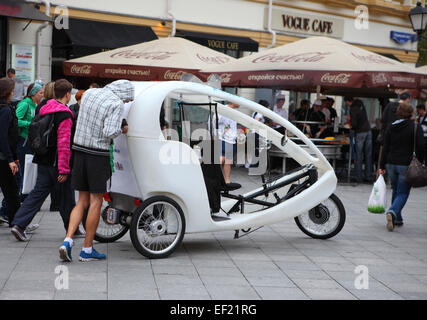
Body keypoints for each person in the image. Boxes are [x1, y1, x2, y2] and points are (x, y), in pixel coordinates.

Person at [59, 80, 134, 262]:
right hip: (97, 155)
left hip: (79, 150)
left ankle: (68, 241)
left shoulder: (90, 94)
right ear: (122, 95)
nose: (124, 104)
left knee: (81, 201)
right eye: (126, 100)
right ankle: (87, 249)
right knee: (96, 201)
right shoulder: (115, 103)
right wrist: (122, 129)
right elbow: (109, 132)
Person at [10, 79, 76, 242]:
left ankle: (19, 224)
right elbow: (63, 144)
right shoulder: (65, 114)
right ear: (67, 94)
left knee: (38, 193)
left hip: (42, 158)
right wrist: (64, 168)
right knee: (66, 195)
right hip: (56, 161)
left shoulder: (44, 108)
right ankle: (72, 228)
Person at [379, 103, 425, 231]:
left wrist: (382, 165)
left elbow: (385, 147)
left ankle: (397, 219)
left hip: (390, 163)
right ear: (411, 113)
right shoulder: (415, 127)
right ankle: (393, 211)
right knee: (403, 192)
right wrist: (420, 161)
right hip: (406, 164)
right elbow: (421, 146)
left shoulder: (391, 127)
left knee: (395, 189)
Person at [15, 81, 44, 196]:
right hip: (23, 141)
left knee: (28, 168)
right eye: (40, 92)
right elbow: (15, 120)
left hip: (30, 141)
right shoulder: (25, 104)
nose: (42, 95)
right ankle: (21, 193)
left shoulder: (35, 104)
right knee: (23, 167)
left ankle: (24, 192)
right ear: (33, 93)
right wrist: (30, 123)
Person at [0, 77, 21, 227]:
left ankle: (17, 221)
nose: (14, 92)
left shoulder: (5, 108)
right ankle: (17, 223)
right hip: (3, 158)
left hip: (5, 156)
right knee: (12, 191)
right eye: (12, 89)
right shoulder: (5, 110)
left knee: (11, 190)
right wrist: (10, 159)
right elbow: (3, 136)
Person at [350, 99, 373, 183]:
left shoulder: (353, 109)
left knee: (359, 155)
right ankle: (368, 176)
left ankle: (358, 177)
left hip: (360, 132)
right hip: (368, 131)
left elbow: (354, 123)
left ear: (348, 101)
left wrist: (352, 126)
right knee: (368, 155)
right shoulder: (362, 106)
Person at [217, 102, 239, 184]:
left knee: (228, 161)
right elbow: (215, 121)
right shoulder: (223, 109)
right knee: (222, 158)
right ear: (232, 101)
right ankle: (216, 177)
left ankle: (226, 180)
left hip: (231, 139)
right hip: (223, 138)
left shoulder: (234, 112)